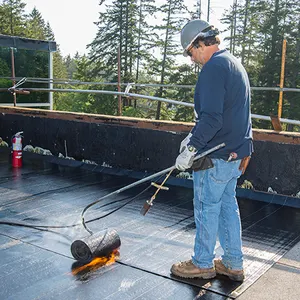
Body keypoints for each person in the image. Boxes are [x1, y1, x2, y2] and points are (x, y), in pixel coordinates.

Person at [170, 19, 253, 282]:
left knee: (206, 206)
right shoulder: (234, 64)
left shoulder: (214, 69)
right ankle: (233, 263)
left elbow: (211, 119)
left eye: (190, 52)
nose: (191, 58)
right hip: (234, 155)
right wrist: (246, 148)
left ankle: (202, 263)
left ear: (199, 43)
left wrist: (190, 148)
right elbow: (242, 113)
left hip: (215, 156)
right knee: (227, 206)